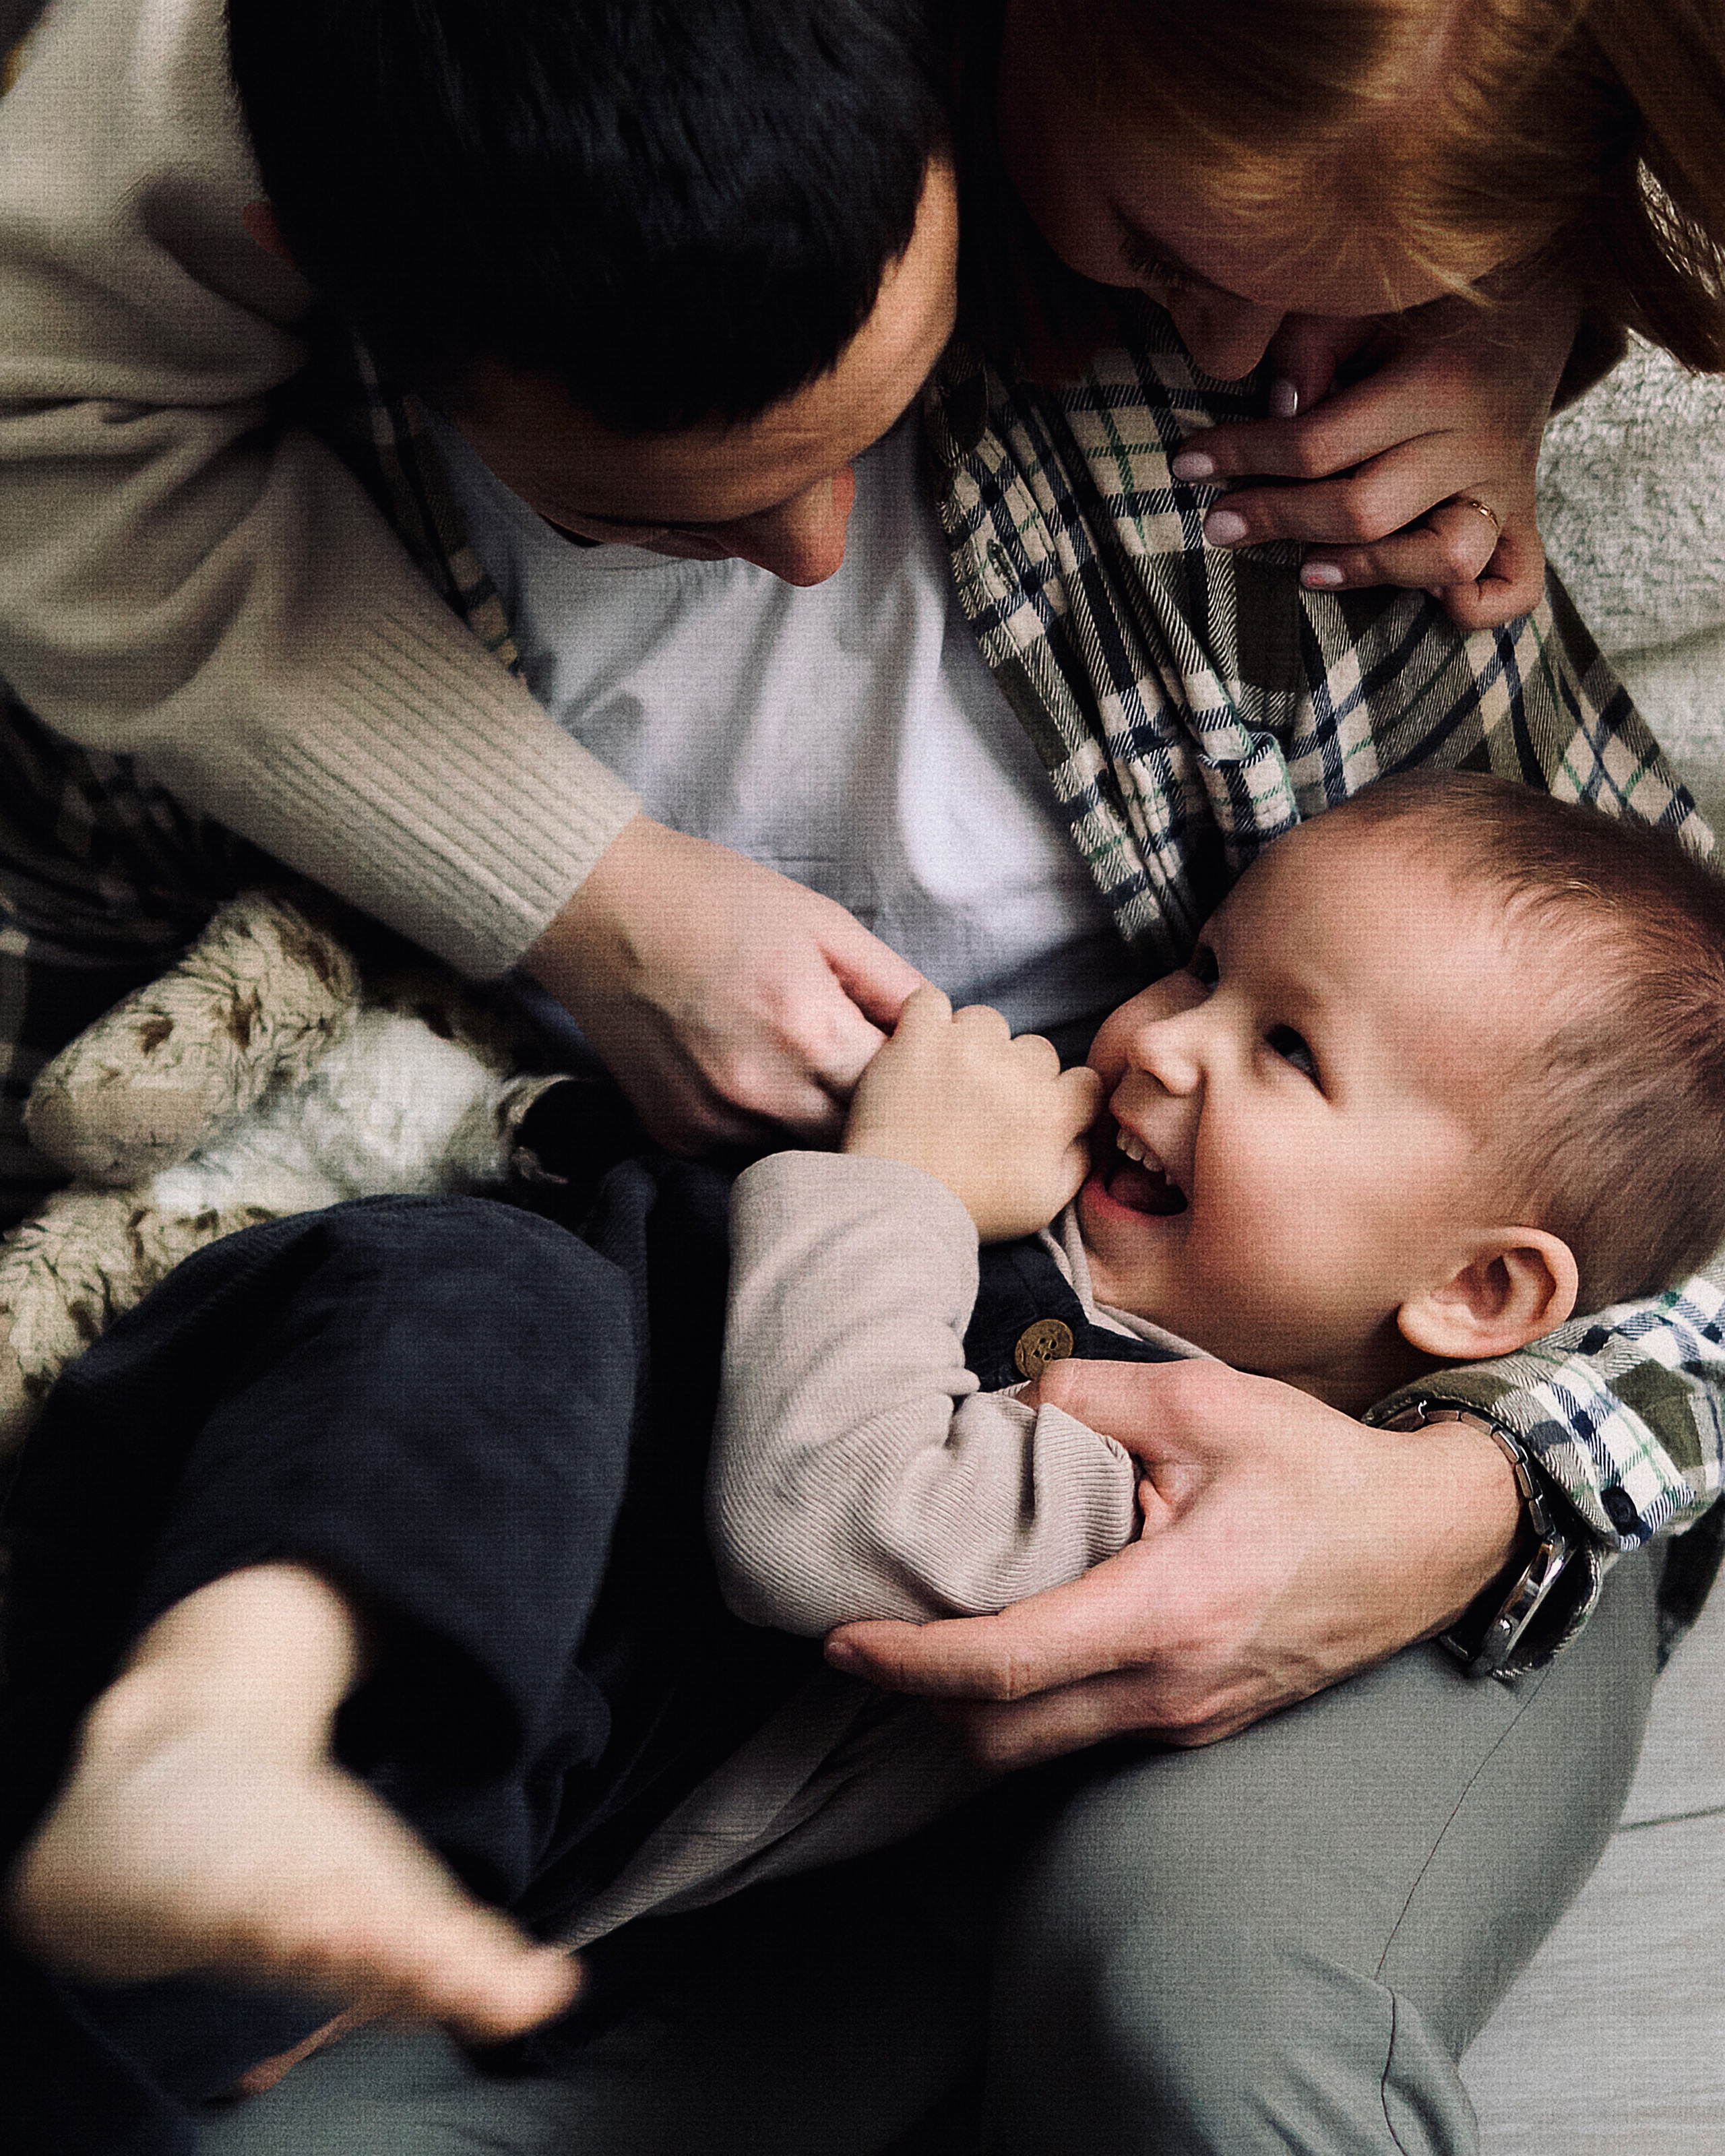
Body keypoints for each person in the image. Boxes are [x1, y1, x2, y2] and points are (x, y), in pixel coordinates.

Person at [0, 1, 1721, 2148]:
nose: (1151, 1029)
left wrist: (1469, 1487)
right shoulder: (287, 338)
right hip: (603, 1582)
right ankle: (223, 1773)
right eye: (657, 513)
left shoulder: (1296, 420)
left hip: (1253, 1485)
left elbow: (1654, 1112)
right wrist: (580, 901)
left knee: (1193, 2014)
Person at [7, 774, 1724, 2156]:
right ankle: (205, 1745)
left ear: (1474, 1293)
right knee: (482, 1279)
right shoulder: (1030, 1187)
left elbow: (824, 1516)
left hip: (478, 1730)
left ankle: (205, 1788)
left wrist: (900, 1181)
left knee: (497, 1299)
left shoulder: (1189, 1482)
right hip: (248, 1478)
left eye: (1288, 1050)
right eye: (1204, 965)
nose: (1160, 1037)